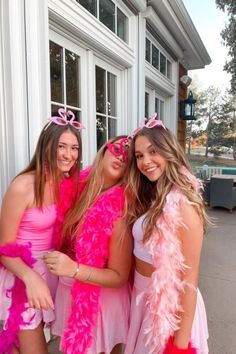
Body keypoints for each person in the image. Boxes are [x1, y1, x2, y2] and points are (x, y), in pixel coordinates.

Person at [0, 108, 84, 354]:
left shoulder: (66, 184)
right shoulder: (23, 186)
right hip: (22, 276)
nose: (69, 154)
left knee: (17, 346)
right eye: (62, 146)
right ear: (47, 146)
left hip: (51, 273)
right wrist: (31, 278)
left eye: (74, 148)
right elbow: (3, 247)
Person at [124, 114, 209, 354]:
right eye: (139, 156)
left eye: (153, 152)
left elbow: (189, 283)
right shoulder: (153, 195)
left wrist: (179, 347)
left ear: (168, 151)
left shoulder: (184, 204)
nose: (145, 161)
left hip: (170, 310)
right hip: (143, 300)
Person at [43, 135, 133, 354]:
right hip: (70, 292)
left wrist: (73, 269)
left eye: (129, 157)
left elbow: (119, 276)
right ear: (104, 151)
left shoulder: (121, 208)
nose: (121, 157)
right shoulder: (77, 189)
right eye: (117, 149)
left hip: (100, 303)